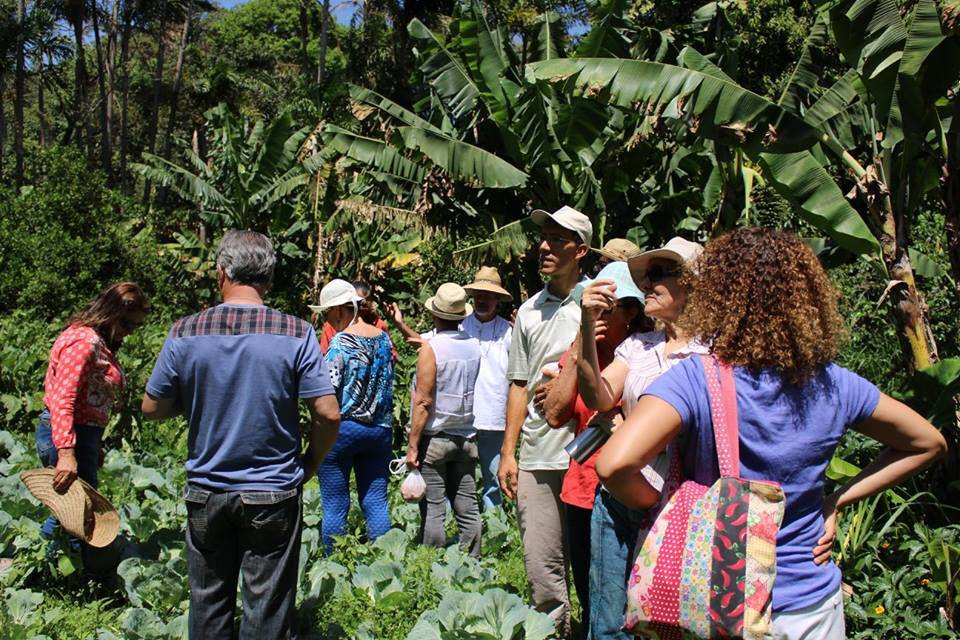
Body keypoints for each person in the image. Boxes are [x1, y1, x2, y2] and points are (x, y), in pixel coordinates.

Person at [596, 227, 947, 639]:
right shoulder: (835, 384)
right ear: (806, 301)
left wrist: (659, 504)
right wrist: (835, 500)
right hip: (812, 604)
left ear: (718, 298)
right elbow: (928, 443)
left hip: (722, 603)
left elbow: (613, 464)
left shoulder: (695, 380)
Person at [142, 230, 341, 640]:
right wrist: (310, 462)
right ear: (268, 278)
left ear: (221, 272)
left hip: (206, 492)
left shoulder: (185, 331)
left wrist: (195, 399)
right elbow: (327, 413)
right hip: (273, 491)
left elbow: (152, 407)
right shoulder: (296, 332)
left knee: (208, 603)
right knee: (267, 608)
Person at [576, 236, 705, 640]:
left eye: (658, 274)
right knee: (607, 620)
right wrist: (585, 324)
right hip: (618, 501)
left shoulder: (713, 353)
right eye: (645, 276)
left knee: (665, 622)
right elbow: (598, 394)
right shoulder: (639, 346)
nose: (646, 284)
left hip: (679, 507)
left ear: (692, 284)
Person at [536, 261, 646, 637]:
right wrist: (581, 341)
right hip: (582, 491)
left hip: (630, 494)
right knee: (593, 596)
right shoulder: (585, 346)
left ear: (631, 313)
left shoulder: (640, 353)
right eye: (594, 307)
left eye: (607, 309)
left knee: (633, 601)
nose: (599, 316)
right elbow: (554, 414)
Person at [499, 205, 593, 637]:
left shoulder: (599, 304)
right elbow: (519, 384)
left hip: (590, 456)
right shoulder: (530, 311)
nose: (544, 246)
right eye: (544, 238)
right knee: (541, 566)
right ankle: (555, 632)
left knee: (593, 565)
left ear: (581, 250)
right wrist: (508, 452)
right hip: (538, 454)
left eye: (557, 239)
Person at [36, 282, 150, 549]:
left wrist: (92, 444)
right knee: (74, 512)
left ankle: (56, 571)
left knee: (73, 509)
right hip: (68, 433)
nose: (129, 333)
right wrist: (67, 453)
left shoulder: (94, 341)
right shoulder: (84, 343)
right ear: (113, 314)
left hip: (81, 434)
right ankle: (51, 570)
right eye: (128, 325)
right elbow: (63, 398)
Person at [311, 279, 395, 553]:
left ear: (337, 311)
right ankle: (384, 559)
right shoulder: (383, 339)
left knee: (335, 502)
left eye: (326, 313)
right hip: (380, 431)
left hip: (344, 431)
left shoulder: (339, 344)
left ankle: (334, 563)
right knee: (376, 500)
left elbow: (328, 394)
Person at [405, 283, 483, 557]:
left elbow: (424, 401)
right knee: (467, 504)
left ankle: (432, 566)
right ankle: (473, 562)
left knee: (434, 508)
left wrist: (413, 446)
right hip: (466, 436)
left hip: (435, 438)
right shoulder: (474, 346)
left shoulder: (432, 348)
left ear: (435, 315)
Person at [461, 267, 513, 510]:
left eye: (488, 295)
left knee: (493, 476)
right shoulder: (460, 327)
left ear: (498, 299)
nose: (483, 299)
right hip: (462, 415)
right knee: (461, 476)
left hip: (494, 413)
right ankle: (463, 524)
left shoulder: (509, 331)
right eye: (479, 294)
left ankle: (495, 532)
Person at [317, 280, 398, 361]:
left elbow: (326, 367)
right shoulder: (382, 337)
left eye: (326, 313)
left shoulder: (340, 342)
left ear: (338, 310)